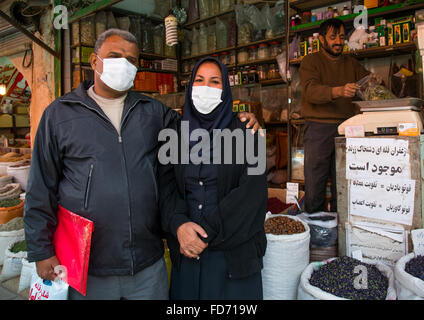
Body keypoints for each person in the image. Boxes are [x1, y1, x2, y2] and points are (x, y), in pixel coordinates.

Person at [23, 29, 260, 300]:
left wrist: (240, 120)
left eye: (131, 60)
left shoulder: (153, 112)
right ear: (93, 61)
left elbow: (199, 122)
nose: (123, 64)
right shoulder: (59, 115)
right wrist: (41, 251)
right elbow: (40, 187)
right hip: (90, 265)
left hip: (147, 262)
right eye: (114, 56)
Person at [160, 57, 268, 300]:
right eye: (199, 80)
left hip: (233, 261)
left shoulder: (248, 132)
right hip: (186, 252)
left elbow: (253, 195)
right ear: (189, 87)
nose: (205, 87)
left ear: (225, 89)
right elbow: (165, 187)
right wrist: (179, 225)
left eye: (214, 81)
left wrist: (205, 232)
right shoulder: (174, 134)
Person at [299, 19, 380, 213]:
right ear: (321, 39)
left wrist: (374, 80)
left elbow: (367, 83)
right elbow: (311, 91)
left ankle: (340, 227)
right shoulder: (311, 62)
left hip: (348, 128)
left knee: (344, 181)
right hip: (319, 128)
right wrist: (339, 91)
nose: (338, 42)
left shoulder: (350, 63)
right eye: (333, 37)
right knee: (315, 182)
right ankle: (316, 227)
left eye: (342, 37)